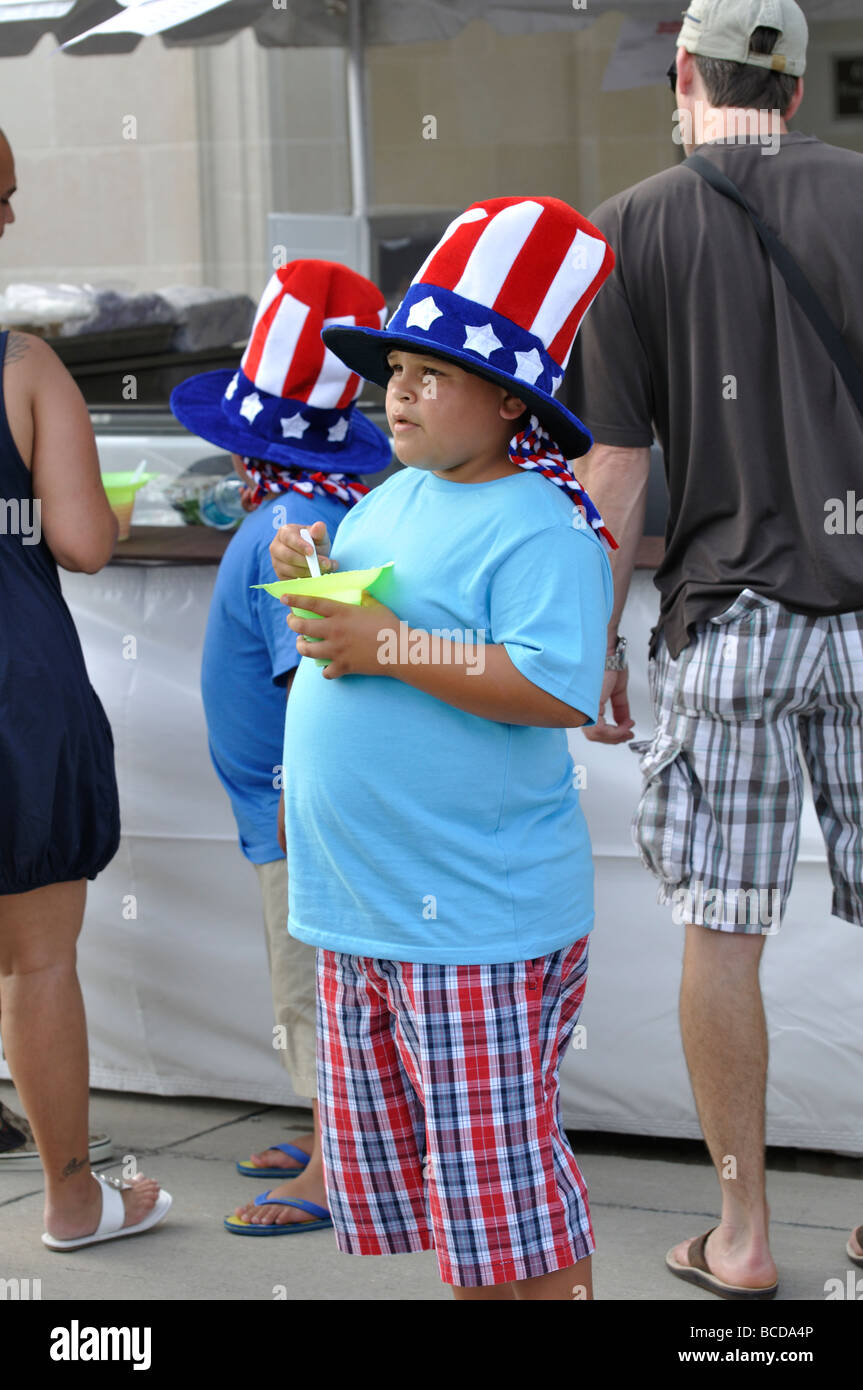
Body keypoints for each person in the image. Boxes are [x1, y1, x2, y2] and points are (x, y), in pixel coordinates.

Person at [269, 196, 617, 1299]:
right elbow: (359, 654)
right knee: (455, 1216)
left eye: (432, 375)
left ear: (508, 400)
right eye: (394, 372)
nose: (399, 393)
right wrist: (318, 584)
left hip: (473, 920)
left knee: (506, 1209)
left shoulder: (542, 526)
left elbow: (549, 686)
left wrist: (386, 642)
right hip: (364, 911)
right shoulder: (385, 500)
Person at [570, 0, 863, 1297]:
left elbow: (616, 470)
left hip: (726, 623)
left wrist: (595, 647)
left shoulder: (627, 228)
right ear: (794, 88)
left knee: (720, 928)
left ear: (681, 73)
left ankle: (740, 1236)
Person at [171, 259, 392, 1235]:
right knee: (313, 978)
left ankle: (332, 1169)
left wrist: (303, 821)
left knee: (313, 985)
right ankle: (330, 1130)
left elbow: (319, 688)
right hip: (284, 812)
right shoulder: (310, 513)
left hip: (294, 815)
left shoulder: (292, 527)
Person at [0, 134, 170, 1248]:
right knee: (40, 959)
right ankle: (71, 1199)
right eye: (0, 195)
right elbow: (83, 542)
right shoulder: (23, 364)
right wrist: (100, 505)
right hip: (17, 687)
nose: (10, 217)